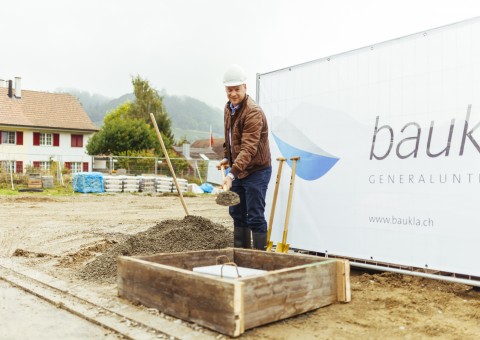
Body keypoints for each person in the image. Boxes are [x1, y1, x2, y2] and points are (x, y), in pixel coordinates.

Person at [218, 64, 272, 250]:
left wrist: (231, 175)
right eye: (229, 90)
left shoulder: (253, 112)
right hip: (239, 169)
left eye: (237, 89)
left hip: (257, 170)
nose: (233, 94)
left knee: (255, 215)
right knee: (237, 213)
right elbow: (232, 139)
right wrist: (228, 157)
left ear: (245, 87)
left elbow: (249, 148)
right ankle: (241, 257)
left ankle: (259, 261)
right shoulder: (229, 109)